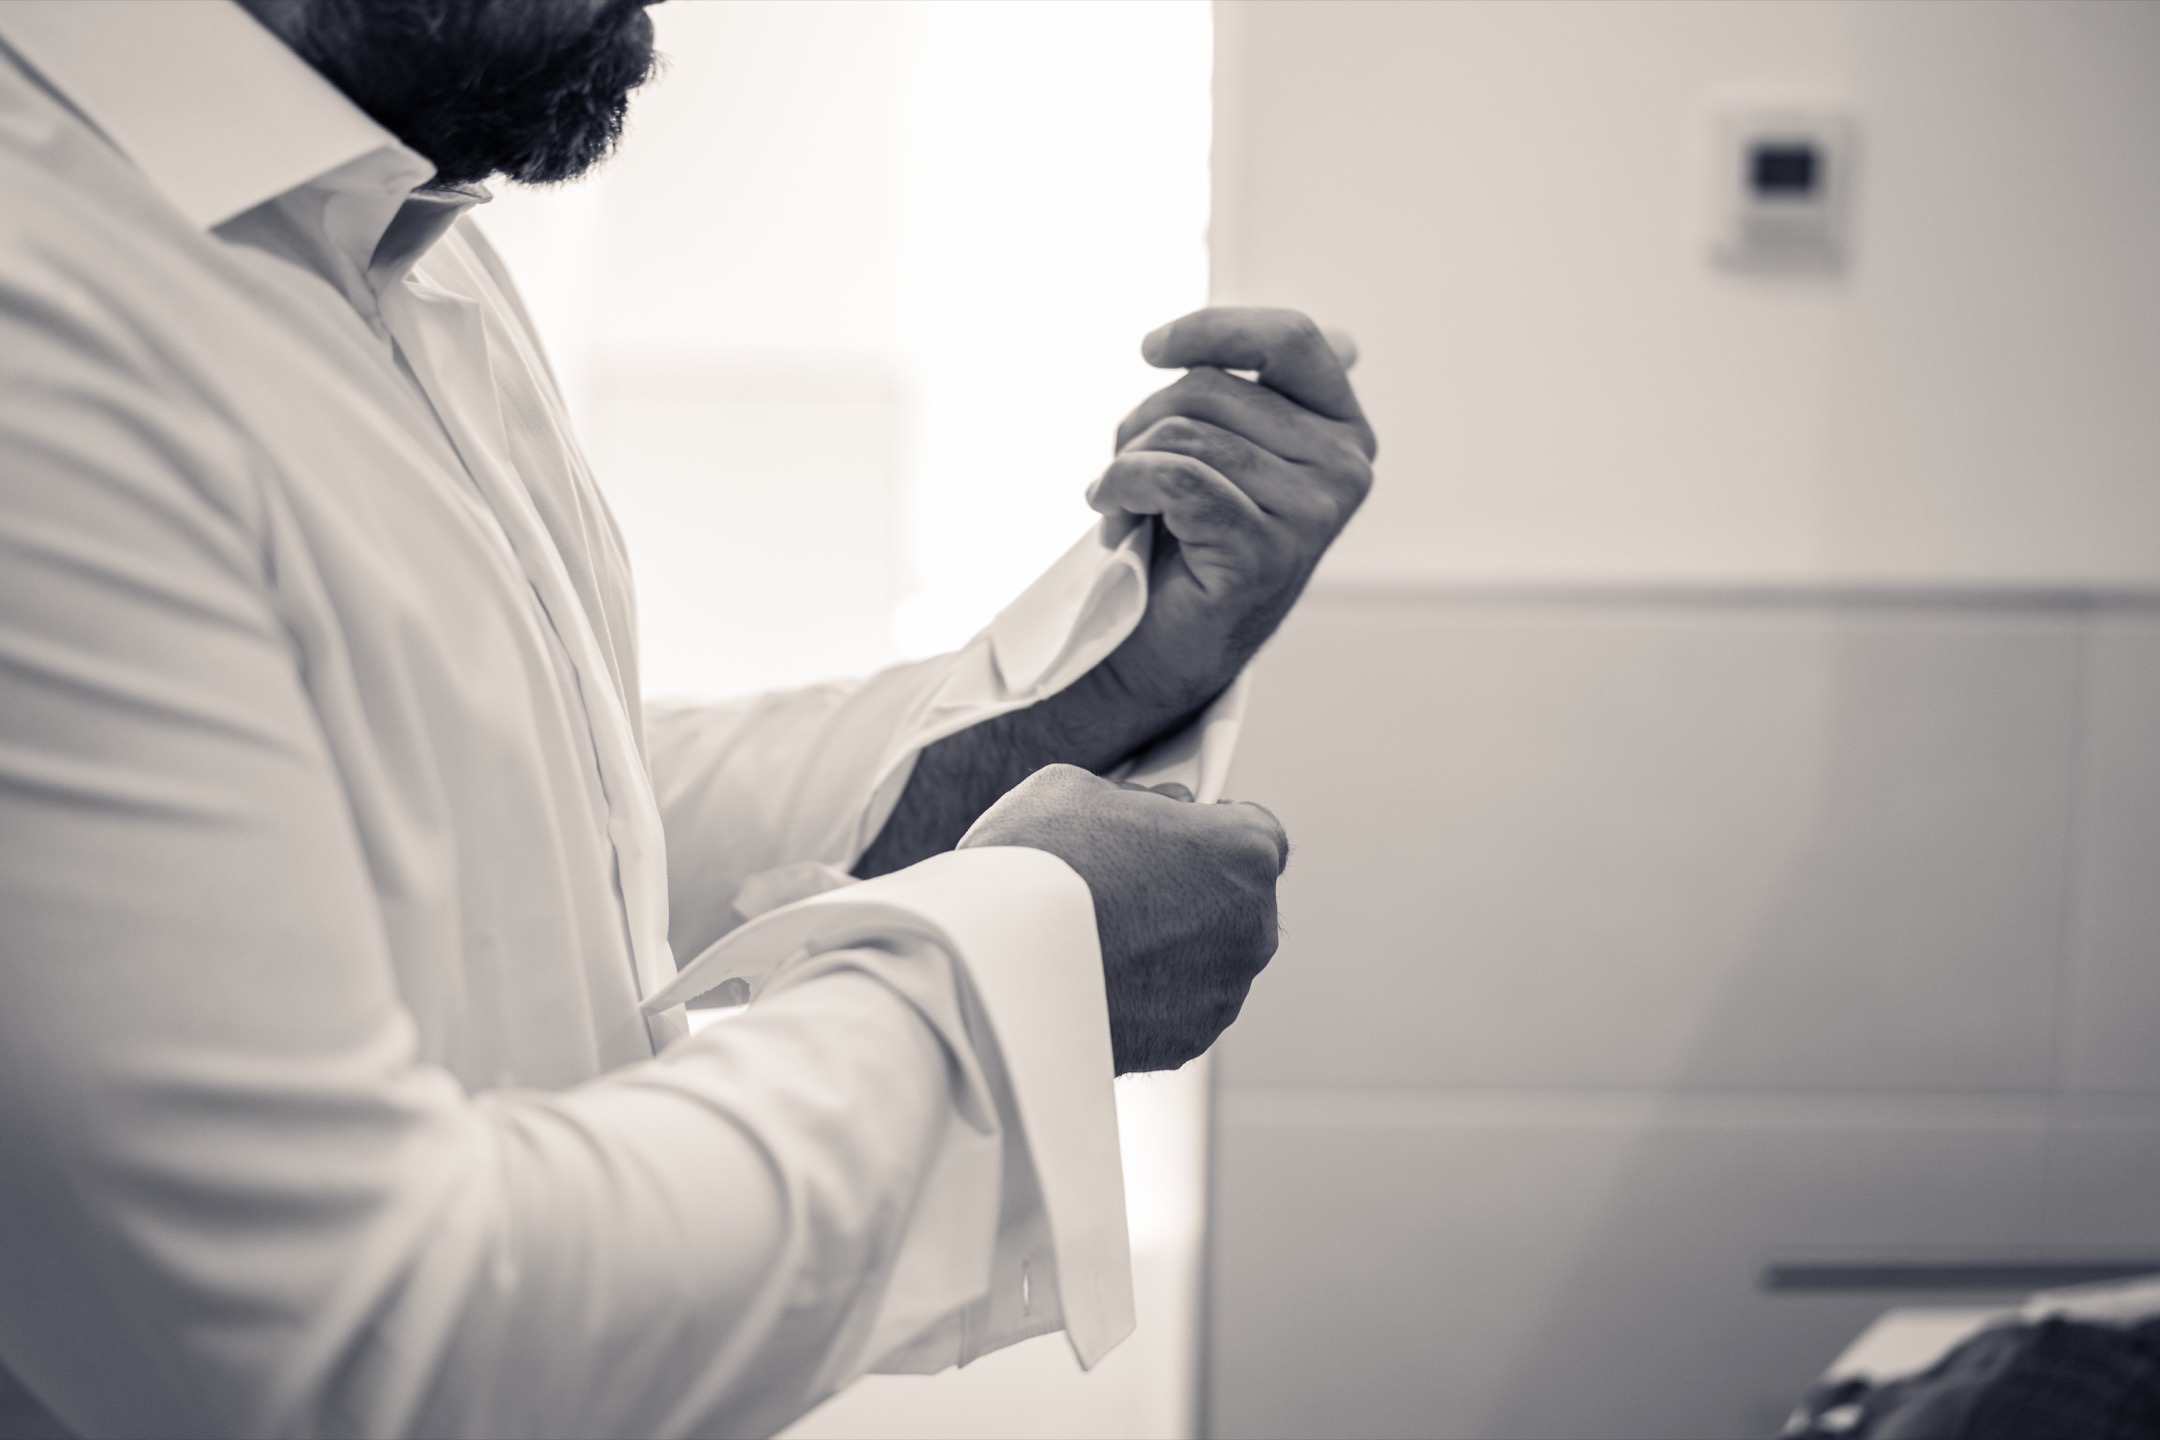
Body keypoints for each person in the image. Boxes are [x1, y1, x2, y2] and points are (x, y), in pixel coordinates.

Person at [0, 1, 1376, 1436]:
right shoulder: (40, 319)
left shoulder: (392, 229)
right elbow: (345, 1340)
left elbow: (528, 823)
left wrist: (1125, 673)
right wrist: (1025, 966)